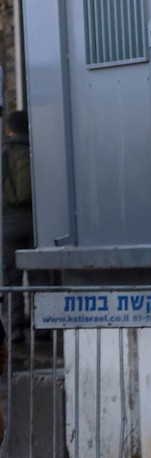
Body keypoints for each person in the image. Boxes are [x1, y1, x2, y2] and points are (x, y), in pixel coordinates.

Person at [2, 110, 33, 343]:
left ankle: (15, 330)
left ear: (9, 129)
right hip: (36, 222)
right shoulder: (37, 151)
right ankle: (44, 329)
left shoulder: (4, 153)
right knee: (39, 273)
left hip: (9, 223)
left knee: (12, 277)